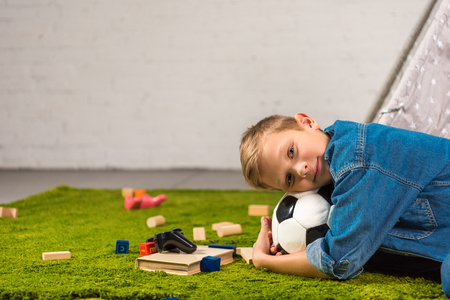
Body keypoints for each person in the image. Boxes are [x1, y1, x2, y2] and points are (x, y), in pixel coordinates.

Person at [239, 113, 450, 297]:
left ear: (307, 122)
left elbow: (338, 261)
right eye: (289, 178)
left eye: (291, 152)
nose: (301, 169)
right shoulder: (335, 169)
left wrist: (264, 260)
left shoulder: (355, 160)